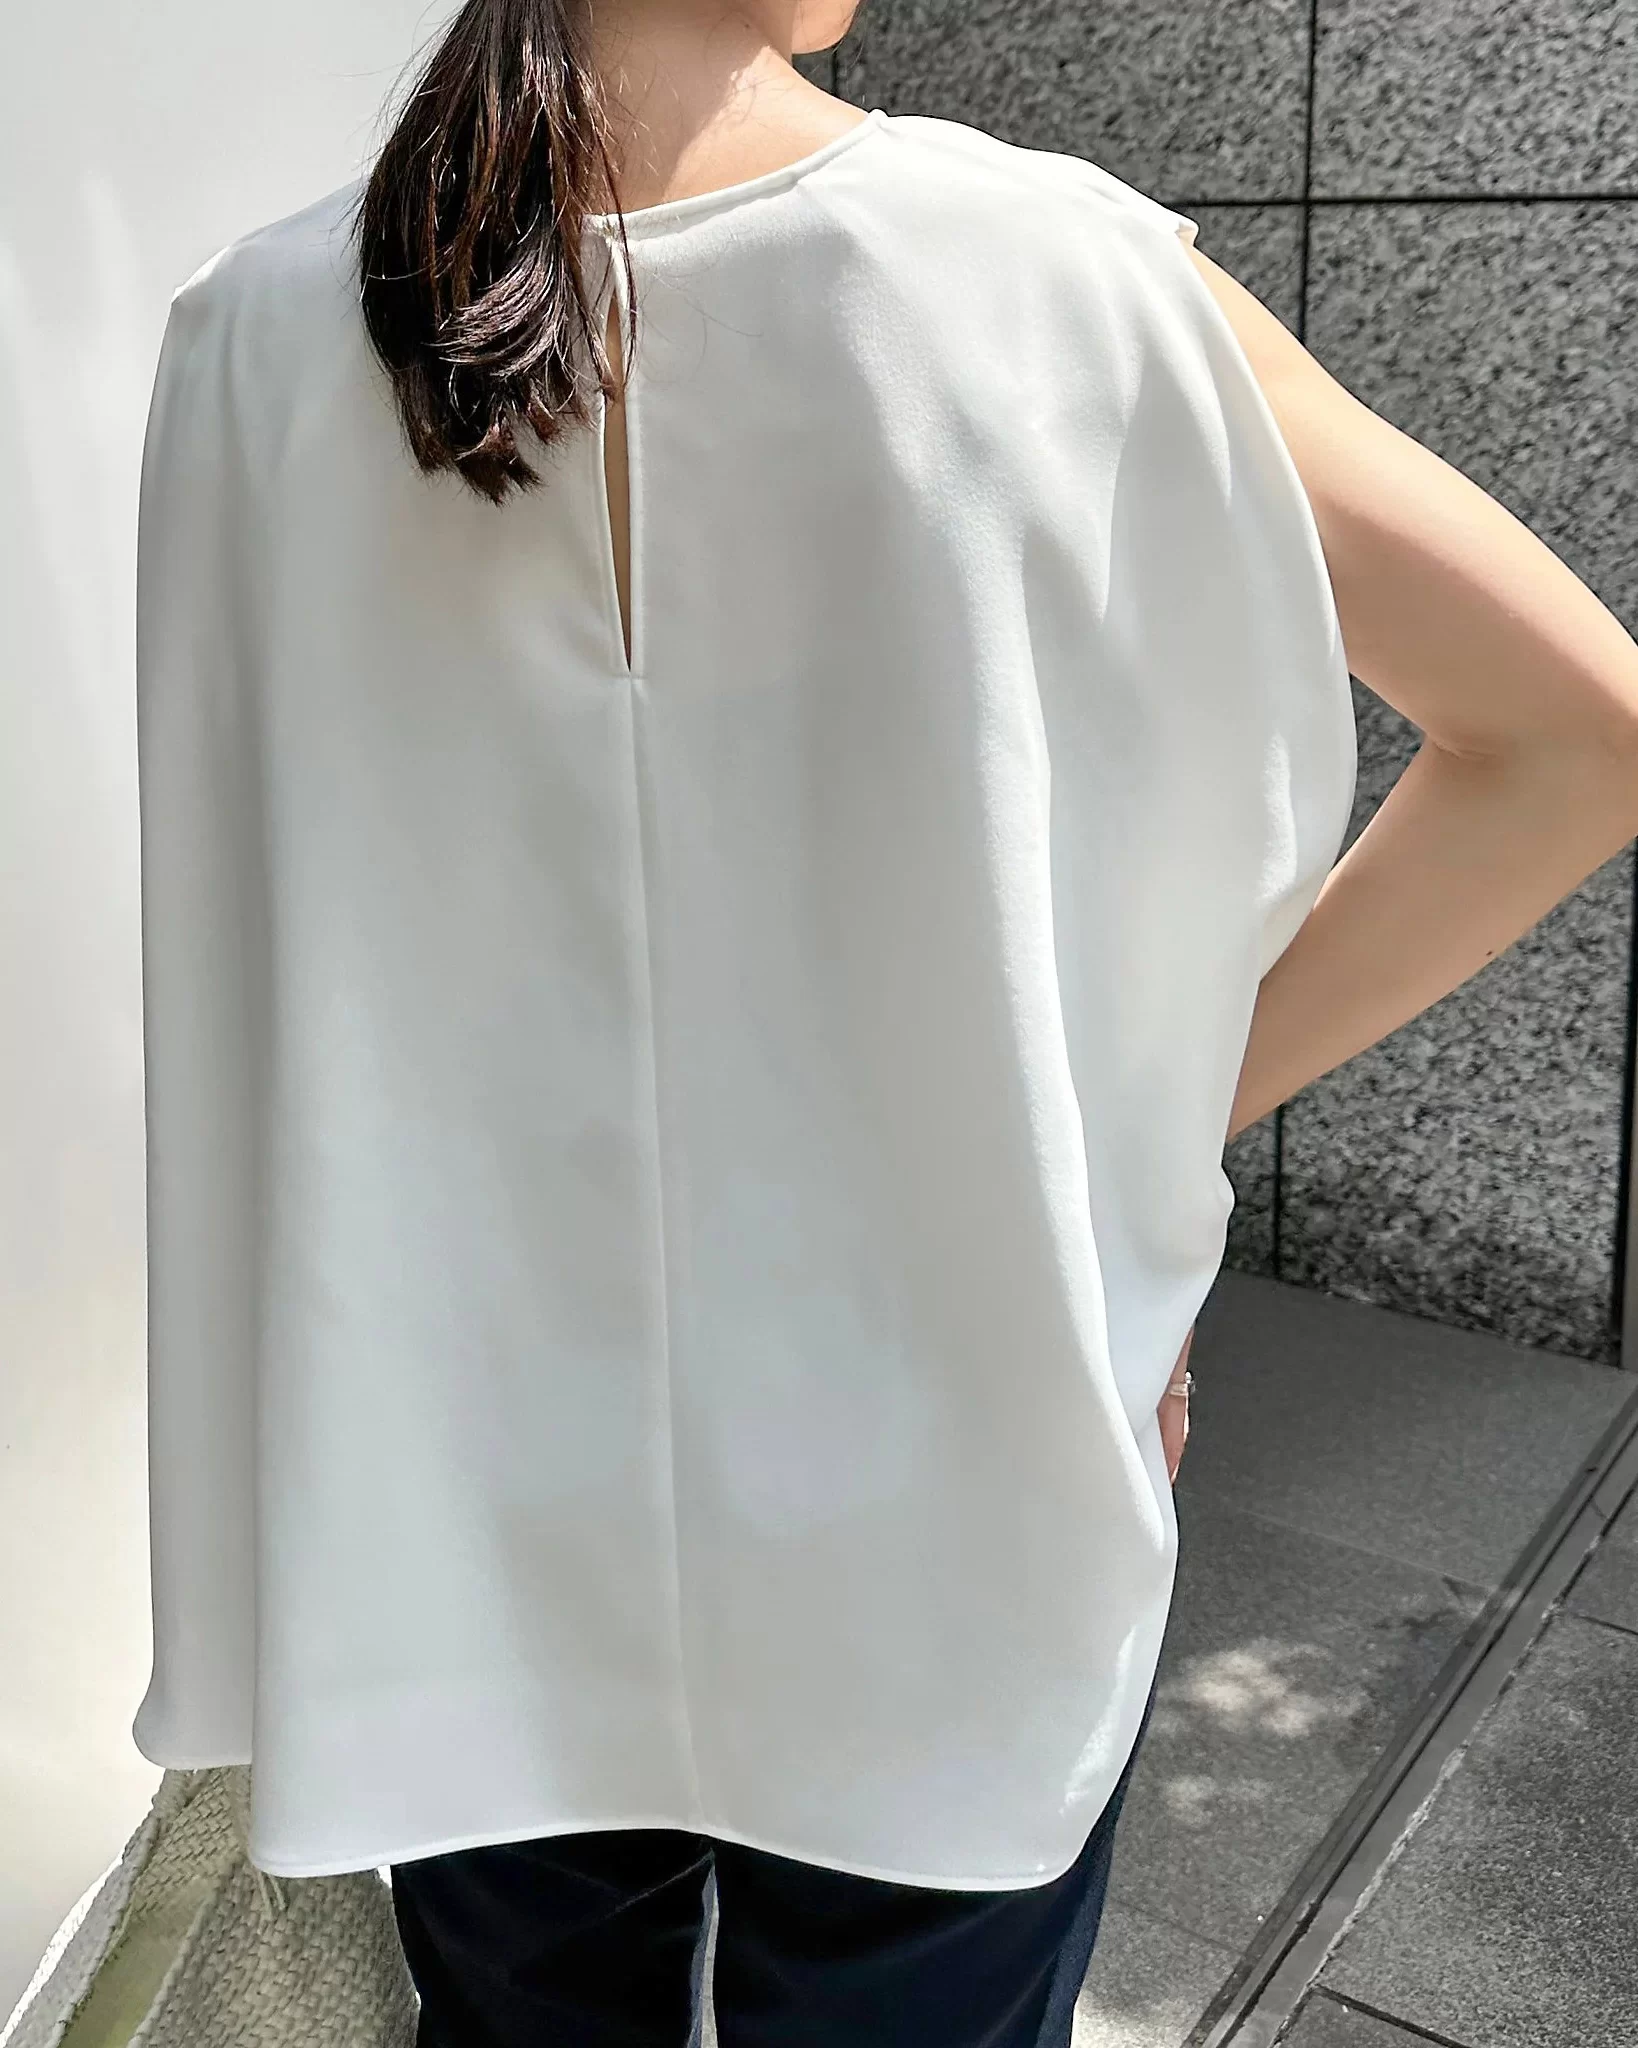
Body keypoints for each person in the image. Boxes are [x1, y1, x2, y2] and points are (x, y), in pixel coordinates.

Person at [128, 0, 1638, 2042]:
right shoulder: (1061, 277)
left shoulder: (245, 341)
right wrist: (1136, 1149)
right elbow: (1573, 735)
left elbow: (263, 961)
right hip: (955, 1484)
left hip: (456, 1503)